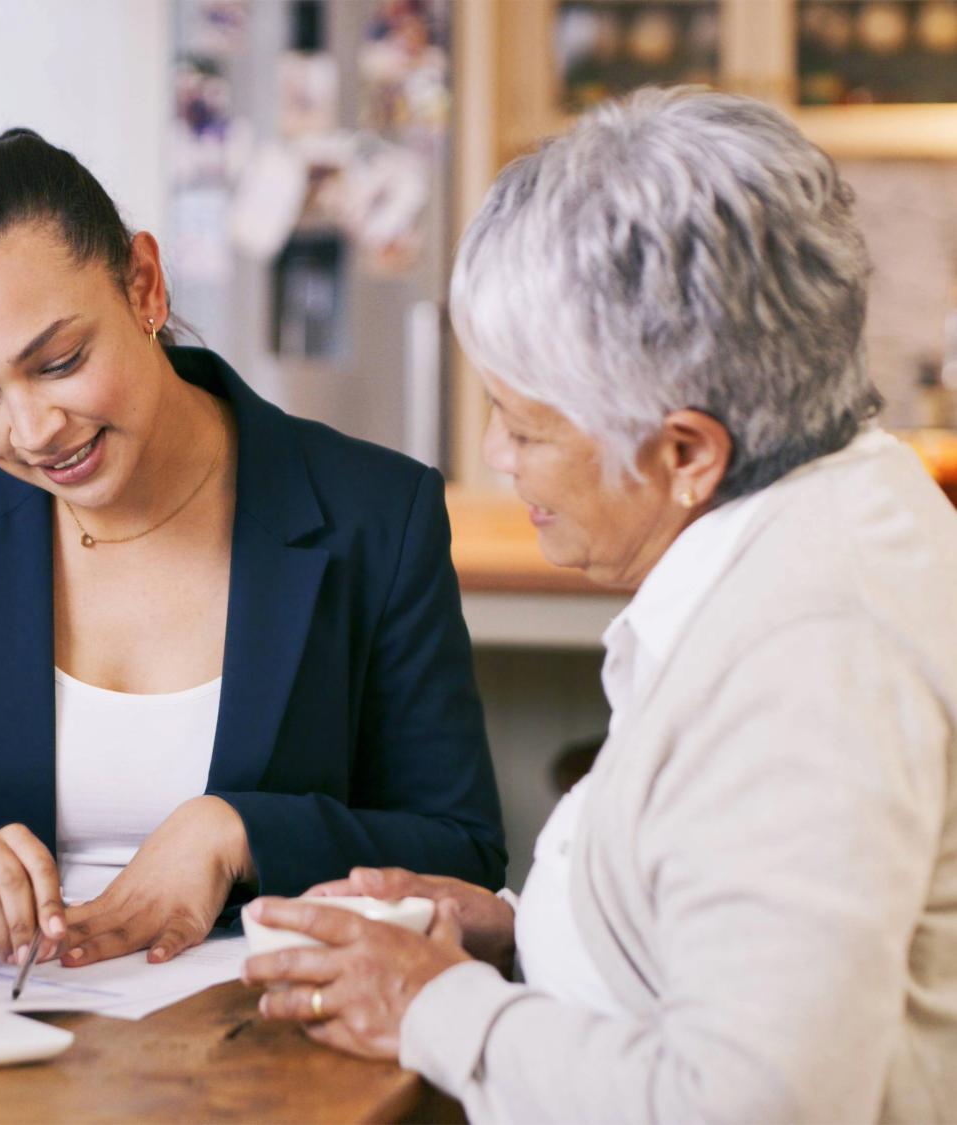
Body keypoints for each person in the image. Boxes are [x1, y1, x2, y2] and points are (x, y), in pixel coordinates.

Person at [243, 87, 957, 1122]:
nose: (495, 457)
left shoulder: (808, 664)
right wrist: (516, 928)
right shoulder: (834, 508)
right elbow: (721, 931)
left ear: (684, 454)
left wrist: (437, 1008)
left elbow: (751, 1104)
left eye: (525, 428)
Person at [0, 128, 505, 970]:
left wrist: (236, 830)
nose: (33, 431)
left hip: (260, 1037)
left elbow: (462, 849)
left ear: (144, 285)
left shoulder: (374, 512)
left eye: (60, 361)